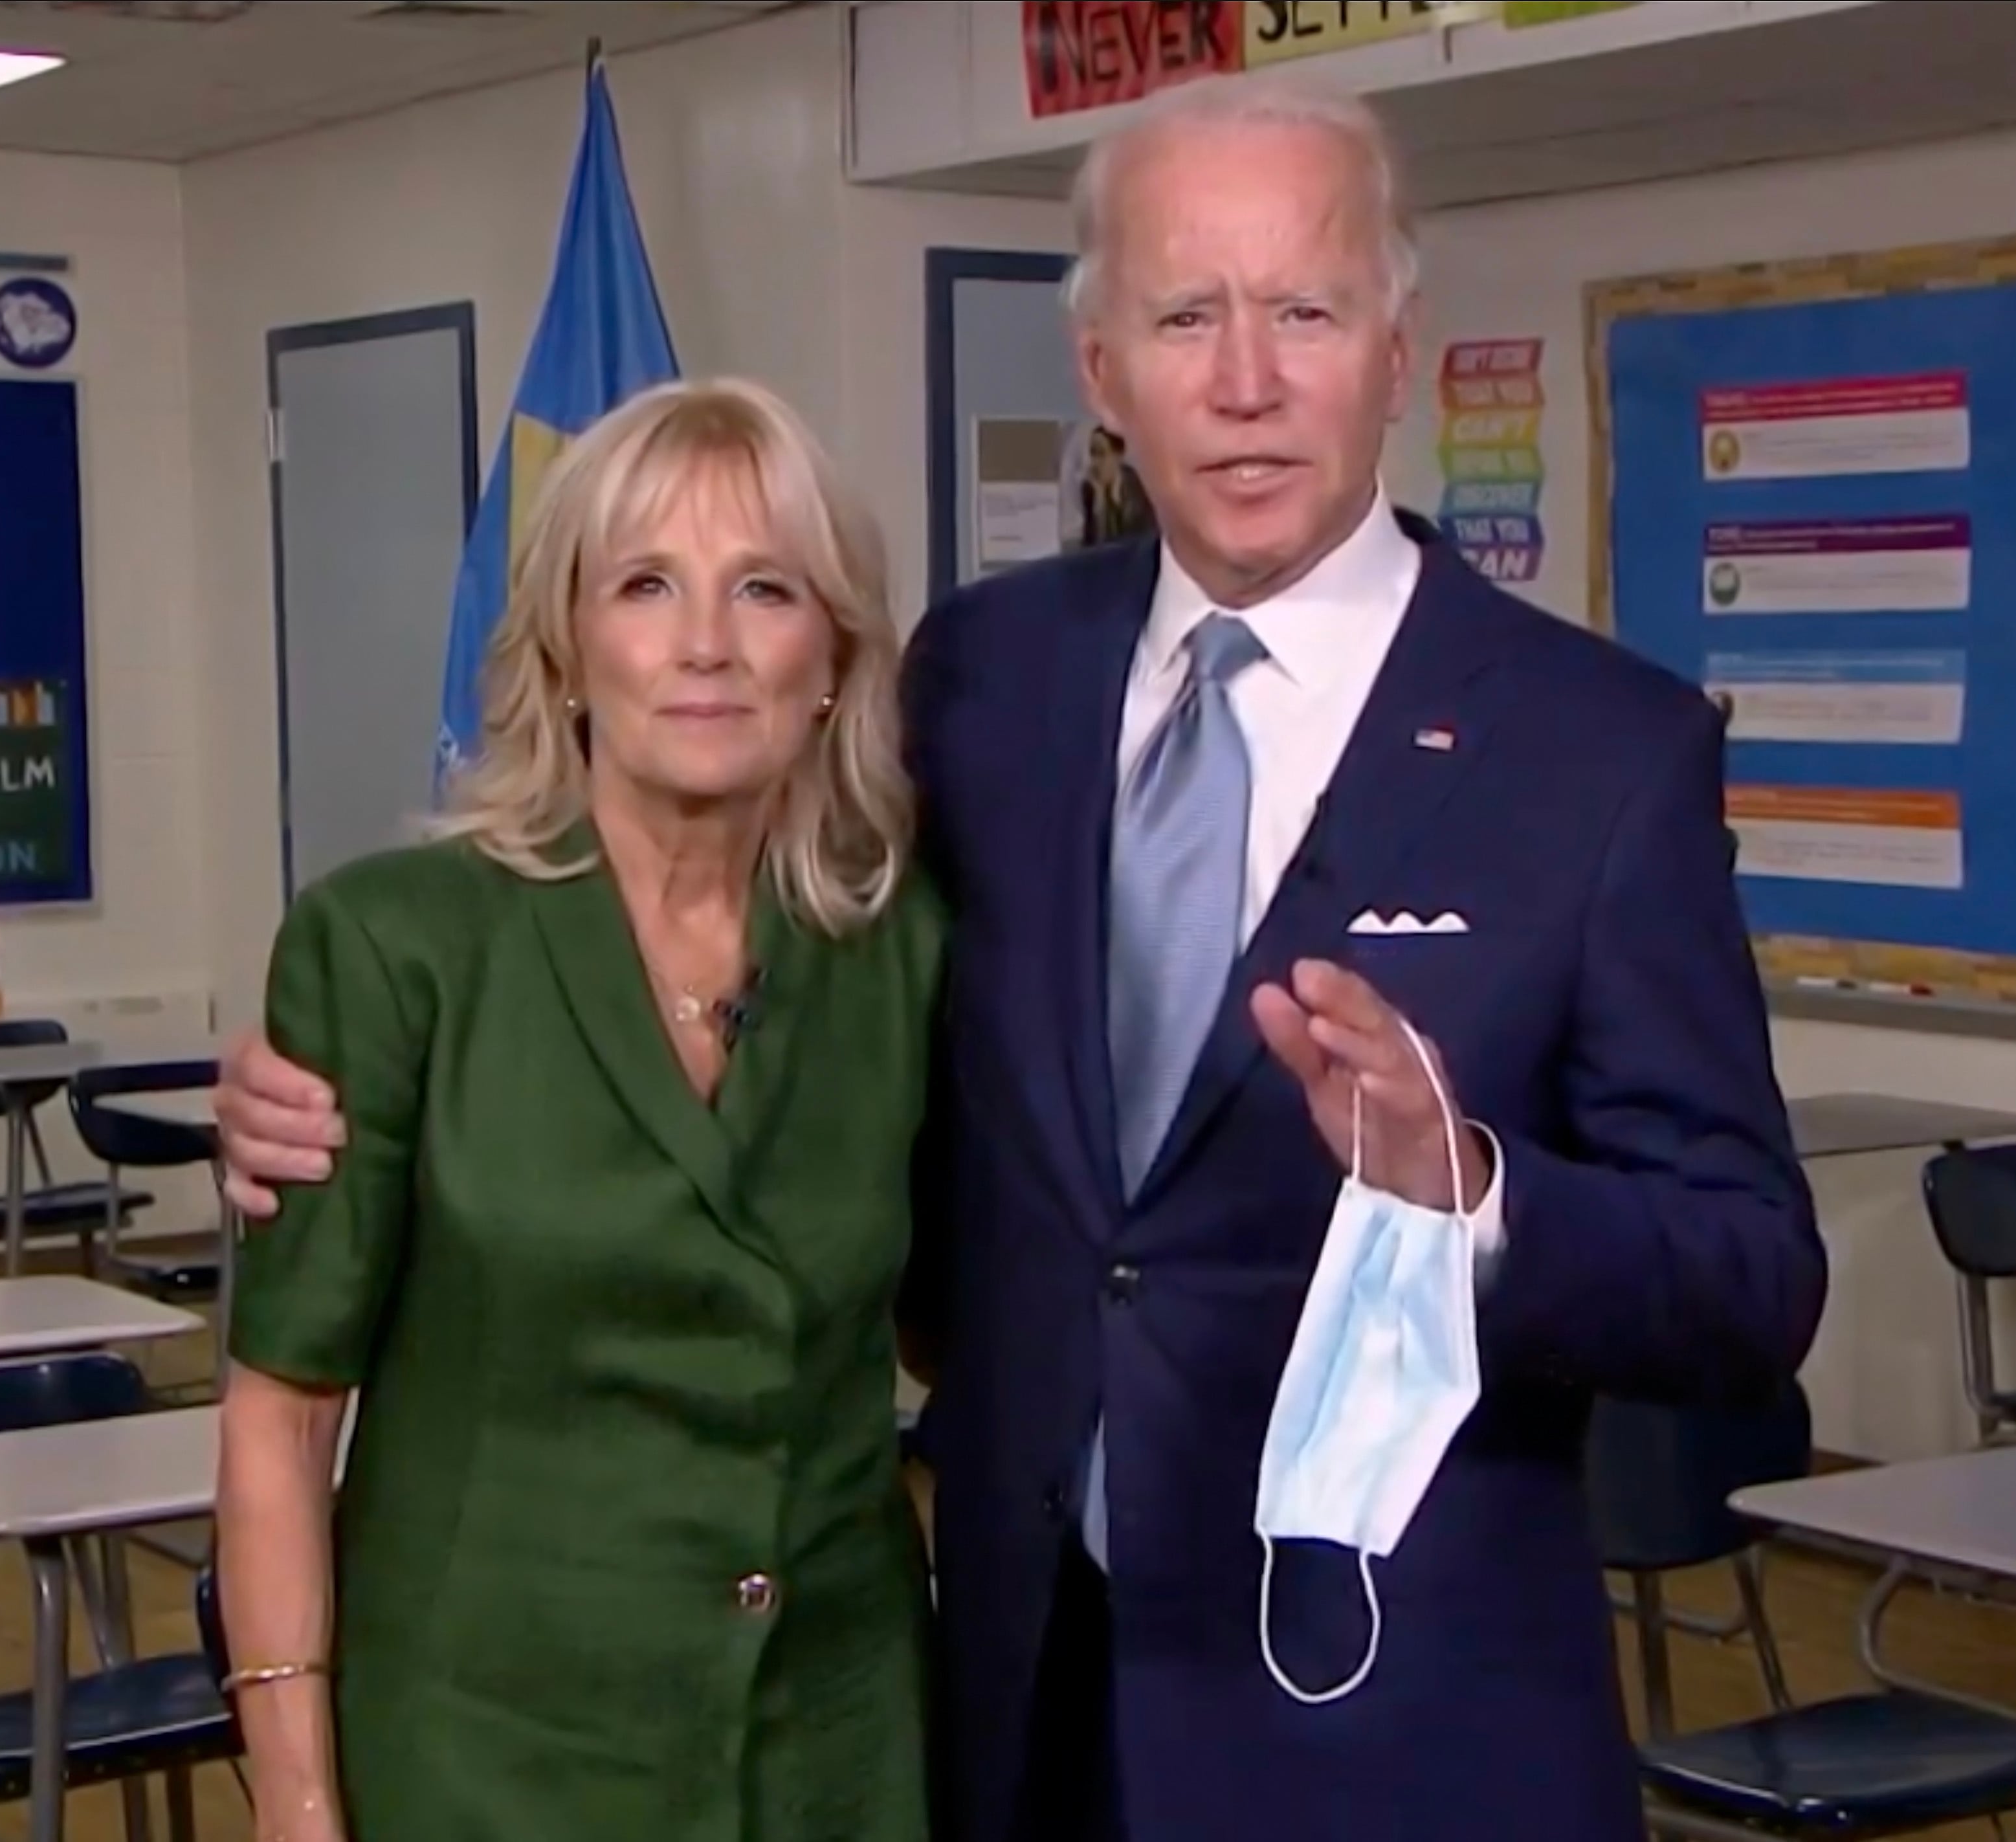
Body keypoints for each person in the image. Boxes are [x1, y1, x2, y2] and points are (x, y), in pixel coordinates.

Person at [216, 75, 1826, 1842]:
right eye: (1181, 315)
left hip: (1387, 1725)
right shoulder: (983, 686)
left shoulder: (1598, 751)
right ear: (1102, 371)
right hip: (992, 1707)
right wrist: (316, 1104)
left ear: (1393, 343)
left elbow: (1749, 1280)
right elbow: (766, 1031)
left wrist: (1476, 1195)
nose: (1242, 378)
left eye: (1301, 308)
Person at [210, 376, 943, 1842]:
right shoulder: (393, 944)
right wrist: (295, 1800)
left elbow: (952, 1323)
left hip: (833, 1750)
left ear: (831, 660)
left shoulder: (904, 950)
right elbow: (280, 1423)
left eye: (765, 589)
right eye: (647, 585)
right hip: (491, 1751)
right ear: (565, 645)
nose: (705, 646)